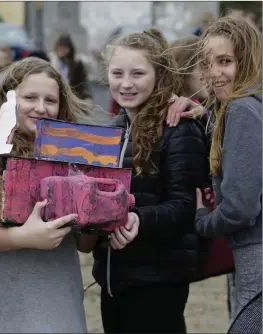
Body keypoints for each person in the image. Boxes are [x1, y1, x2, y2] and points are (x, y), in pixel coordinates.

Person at [0, 57, 139, 333]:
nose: (41, 108)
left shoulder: (74, 160)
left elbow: (84, 244)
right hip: (2, 311)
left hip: (61, 306)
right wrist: (26, 237)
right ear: (8, 101)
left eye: (50, 100)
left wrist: (109, 217)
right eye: (29, 97)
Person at [79, 29, 207, 333]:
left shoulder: (178, 128)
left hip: (158, 282)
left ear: (158, 75)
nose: (126, 83)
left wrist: (139, 220)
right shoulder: (111, 131)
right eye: (117, 73)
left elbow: (185, 207)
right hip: (113, 278)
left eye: (138, 73)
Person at [193, 16, 262, 327]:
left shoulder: (242, 109)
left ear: (246, 61)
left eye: (225, 61)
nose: (215, 73)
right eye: (208, 63)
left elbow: (240, 209)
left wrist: (203, 221)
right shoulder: (247, 105)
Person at [50, 34, 92, 102]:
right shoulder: (52, 62)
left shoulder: (76, 63)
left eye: (64, 48)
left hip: (73, 98)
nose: (61, 51)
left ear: (69, 49)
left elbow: (83, 82)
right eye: (59, 48)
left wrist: (87, 97)